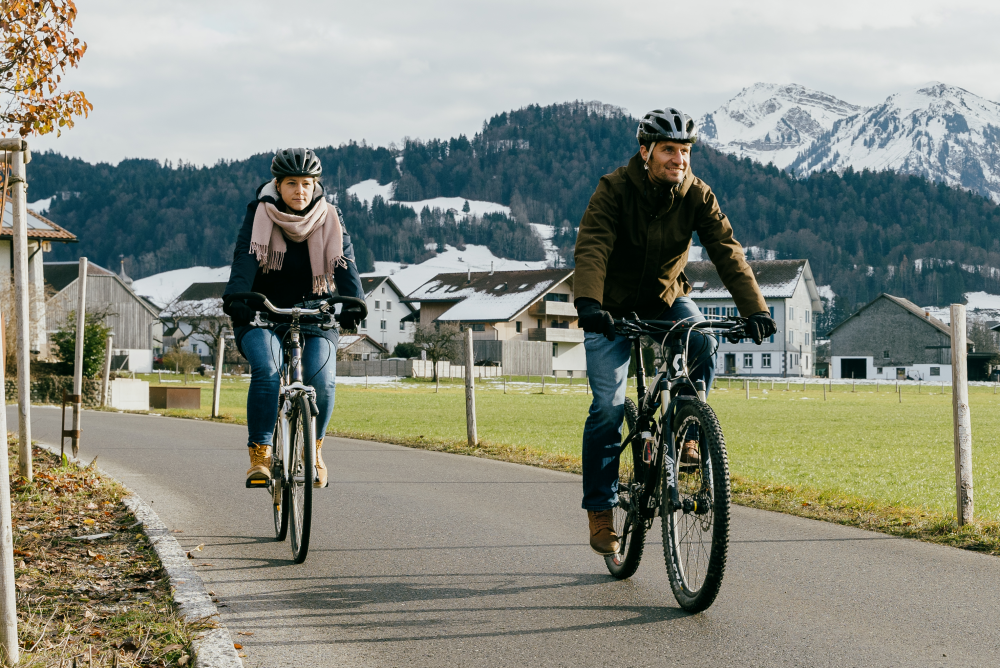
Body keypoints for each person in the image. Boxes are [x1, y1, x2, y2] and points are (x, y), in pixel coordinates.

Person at [573, 108, 777, 555]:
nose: (679, 159)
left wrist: (756, 309)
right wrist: (589, 303)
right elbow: (593, 244)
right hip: (608, 307)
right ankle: (601, 509)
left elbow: (727, 250)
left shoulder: (697, 194)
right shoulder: (614, 189)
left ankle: (687, 431)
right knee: (607, 408)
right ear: (645, 151)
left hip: (665, 298)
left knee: (703, 341)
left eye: (685, 151)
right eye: (669, 150)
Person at [222, 148, 366, 488]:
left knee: (322, 379)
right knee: (268, 371)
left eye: (306, 183)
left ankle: (313, 450)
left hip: (315, 314)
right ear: (278, 185)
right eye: (291, 183)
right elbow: (245, 257)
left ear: (315, 185)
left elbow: (345, 262)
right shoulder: (259, 213)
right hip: (261, 311)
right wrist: (238, 297)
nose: (300, 190)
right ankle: (260, 455)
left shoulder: (330, 216)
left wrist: (354, 302)